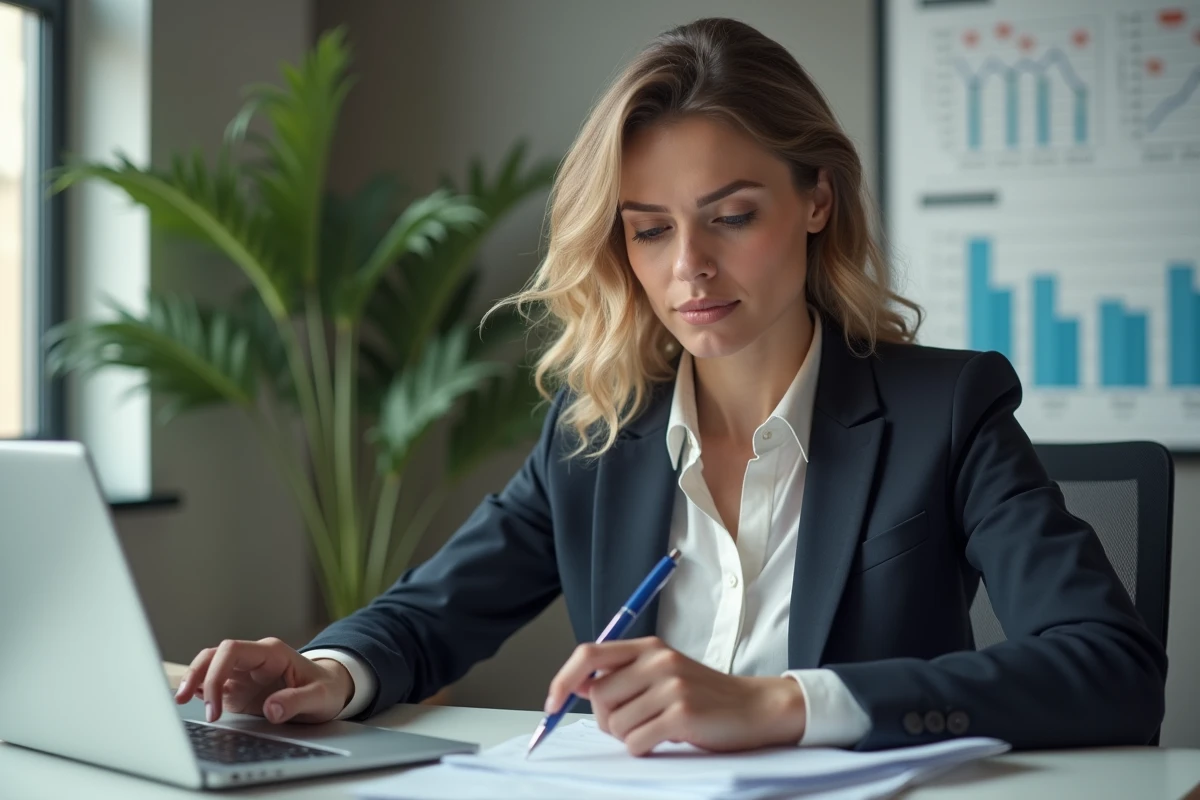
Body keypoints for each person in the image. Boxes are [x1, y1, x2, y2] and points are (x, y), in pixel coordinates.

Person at [173, 17, 1166, 754]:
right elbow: (429, 614)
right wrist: (327, 671)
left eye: (731, 215)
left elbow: (1110, 670)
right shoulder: (596, 429)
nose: (687, 266)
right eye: (649, 228)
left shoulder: (945, 411)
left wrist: (782, 701)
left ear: (817, 199)